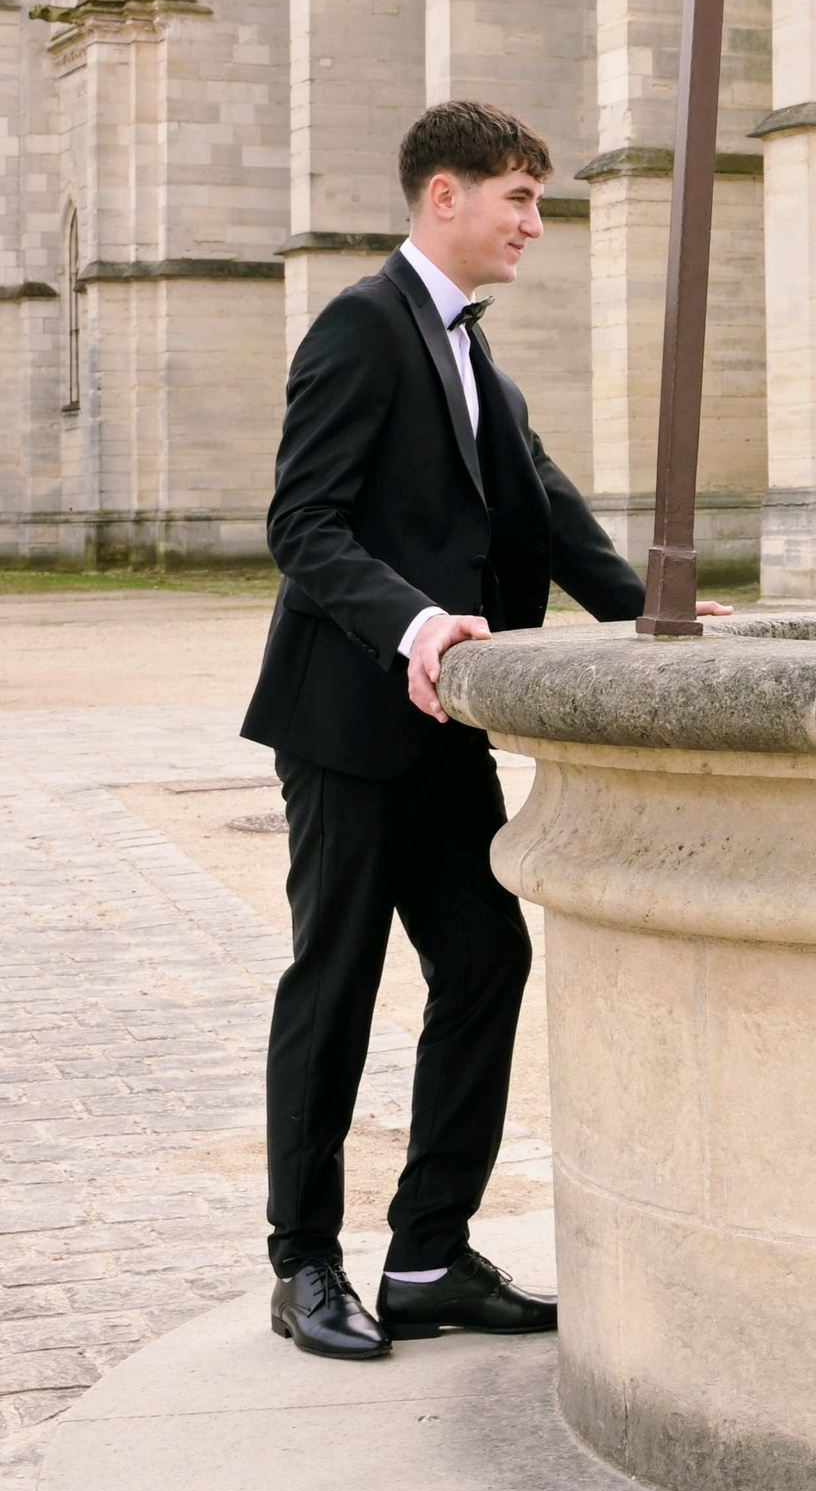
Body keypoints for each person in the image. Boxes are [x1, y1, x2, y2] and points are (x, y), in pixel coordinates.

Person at [245, 101, 724, 1360]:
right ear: (440, 196)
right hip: (349, 721)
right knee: (334, 986)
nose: (533, 220)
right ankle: (303, 1264)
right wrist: (416, 626)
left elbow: (547, 516)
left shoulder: (478, 362)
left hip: (446, 734)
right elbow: (303, 526)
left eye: (536, 197)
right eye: (515, 195)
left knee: (486, 963)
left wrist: (661, 611)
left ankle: (427, 1254)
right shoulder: (361, 325)